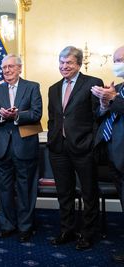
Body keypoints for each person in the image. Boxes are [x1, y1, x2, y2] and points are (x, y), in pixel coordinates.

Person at [47, 46, 103, 250]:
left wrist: (91, 142)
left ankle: (88, 234)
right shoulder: (53, 88)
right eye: (61, 62)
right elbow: (53, 118)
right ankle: (67, 230)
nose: (64, 66)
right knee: (64, 193)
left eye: (69, 62)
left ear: (78, 64)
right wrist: (53, 138)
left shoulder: (92, 83)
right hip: (58, 149)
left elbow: (99, 116)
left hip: (84, 148)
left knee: (89, 193)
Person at [0, 54, 42, 242]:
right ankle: (7, 225)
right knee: (5, 189)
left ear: (19, 68)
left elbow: (36, 113)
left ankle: (25, 227)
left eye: (10, 67)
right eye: (4, 68)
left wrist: (17, 115)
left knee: (25, 188)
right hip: (2, 147)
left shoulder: (32, 87)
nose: (7, 71)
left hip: (24, 145)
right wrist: (1, 116)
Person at [91, 45, 124, 263]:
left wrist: (113, 99)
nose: (116, 64)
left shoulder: (117, 93)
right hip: (115, 155)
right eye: (115, 60)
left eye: (120, 59)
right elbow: (102, 115)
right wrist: (104, 103)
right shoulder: (119, 87)